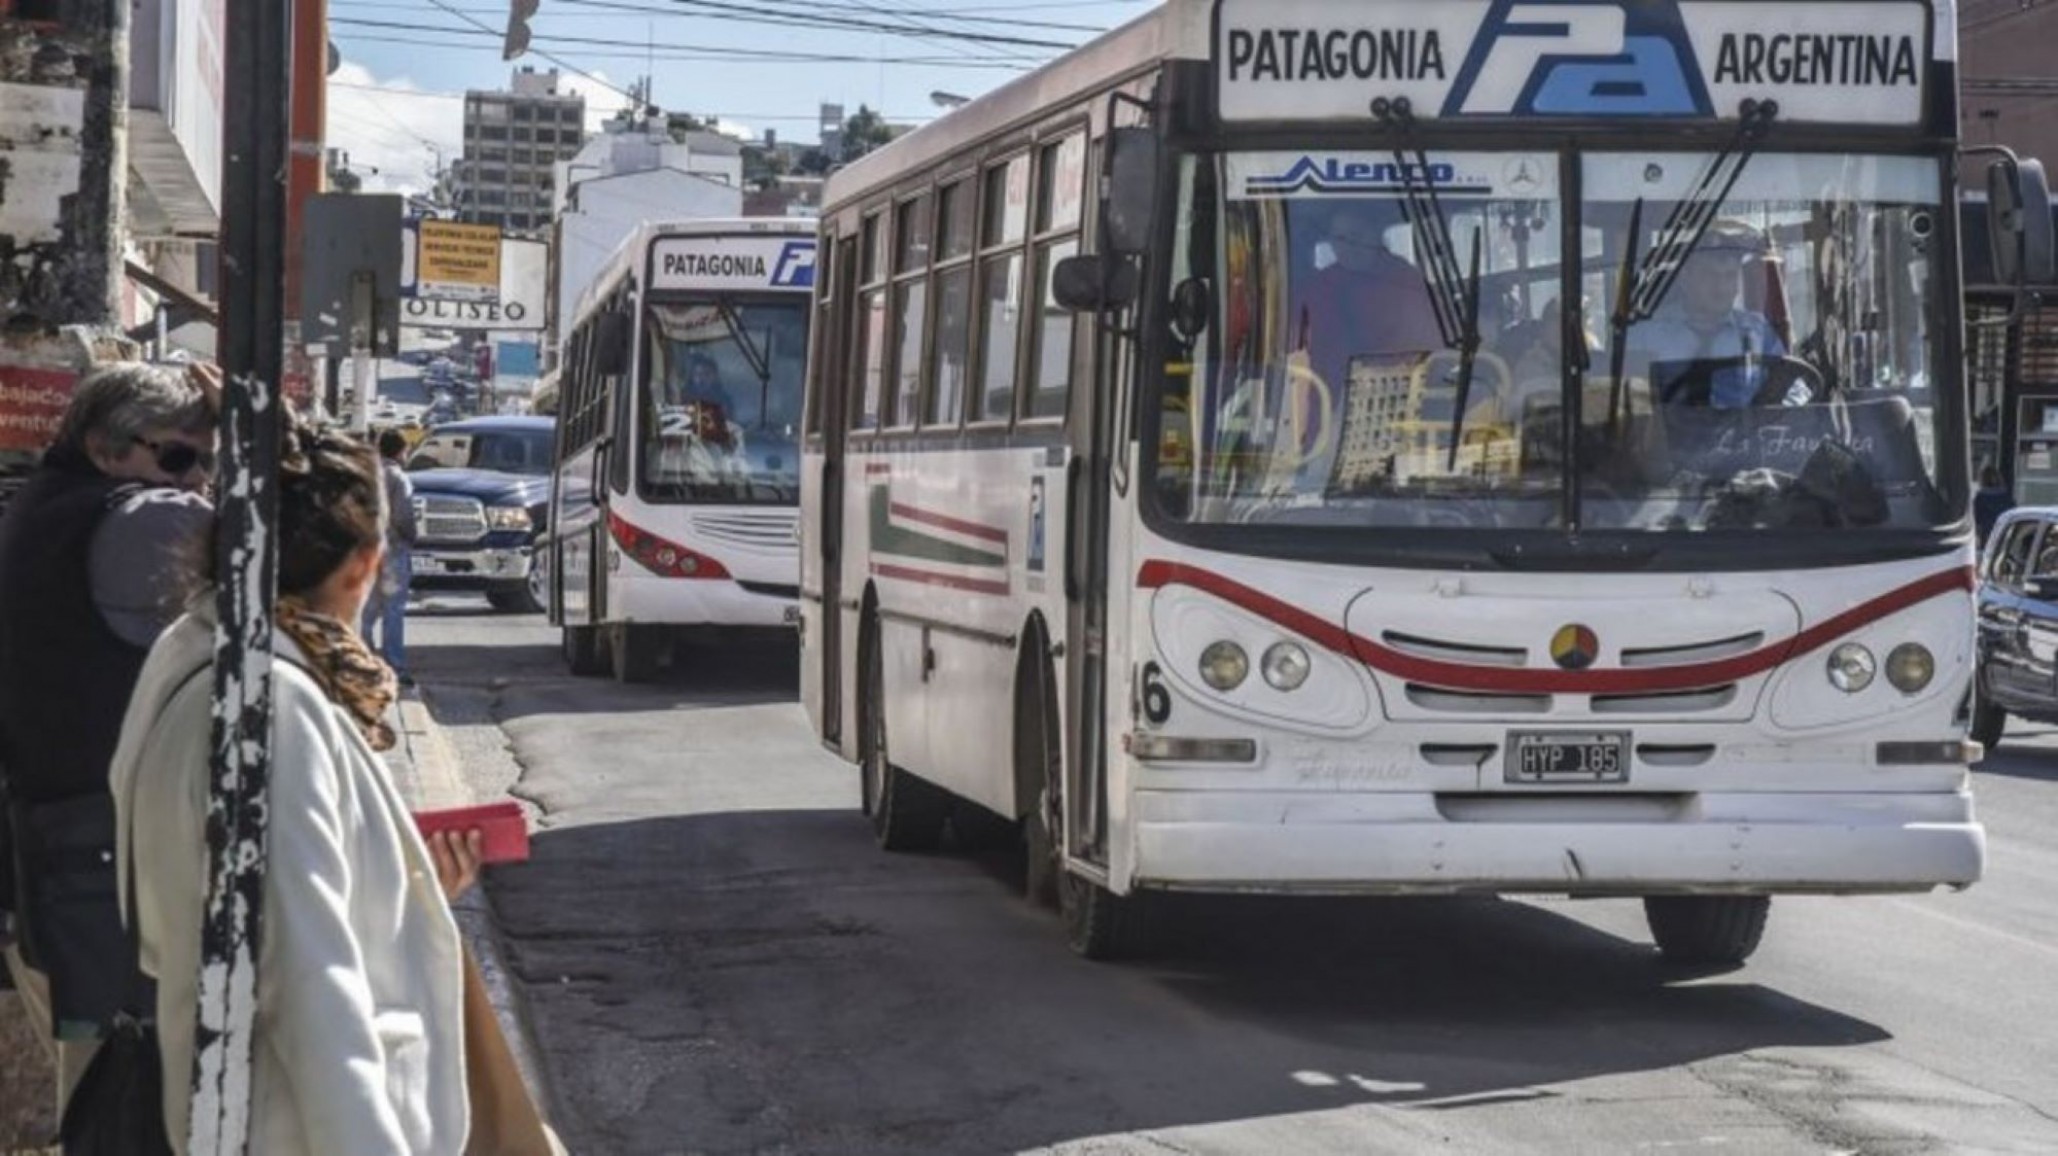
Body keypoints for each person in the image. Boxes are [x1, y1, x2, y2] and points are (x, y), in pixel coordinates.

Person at [109, 419, 485, 1154]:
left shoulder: (192, 649)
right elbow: (315, 985)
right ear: (362, 566)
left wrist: (400, 889)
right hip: (295, 1127)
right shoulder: (276, 709)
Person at [0, 360, 218, 1118]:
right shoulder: (139, 521)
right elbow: (308, 554)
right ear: (106, 446)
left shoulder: (49, 504)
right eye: (181, 455)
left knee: (104, 1094)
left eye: (209, 459)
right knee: (132, 1103)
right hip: (105, 864)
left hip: (62, 850)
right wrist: (284, 446)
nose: (195, 480)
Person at [1632, 220, 1788, 409]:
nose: (1721, 288)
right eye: (1709, 275)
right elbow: (1627, 405)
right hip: (1669, 436)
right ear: (1685, 278)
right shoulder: (1644, 336)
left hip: (1744, 435)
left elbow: (1794, 388)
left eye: (1729, 276)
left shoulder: (1758, 333)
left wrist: (1773, 416)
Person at [1290, 204, 1445, 394]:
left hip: (1397, 391)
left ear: (1376, 236)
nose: (1348, 246)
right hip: (1322, 395)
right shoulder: (1318, 286)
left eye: (1356, 236)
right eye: (1339, 239)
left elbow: (1426, 343)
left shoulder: (1404, 280)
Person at [361, 428, 418, 685]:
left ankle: (363, 658)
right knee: (394, 609)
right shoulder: (398, 478)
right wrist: (411, 537)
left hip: (367, 548)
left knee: (369, 609)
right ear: (399, 450)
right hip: (393, 548)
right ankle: (394, 665)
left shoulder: (368, 474)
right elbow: (404, 515)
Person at [1975, 465, 2016, 543]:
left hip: (1988, 534)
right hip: (2005, 533)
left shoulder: (1980, 498)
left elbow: (1976, 519)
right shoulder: (2007, 497)